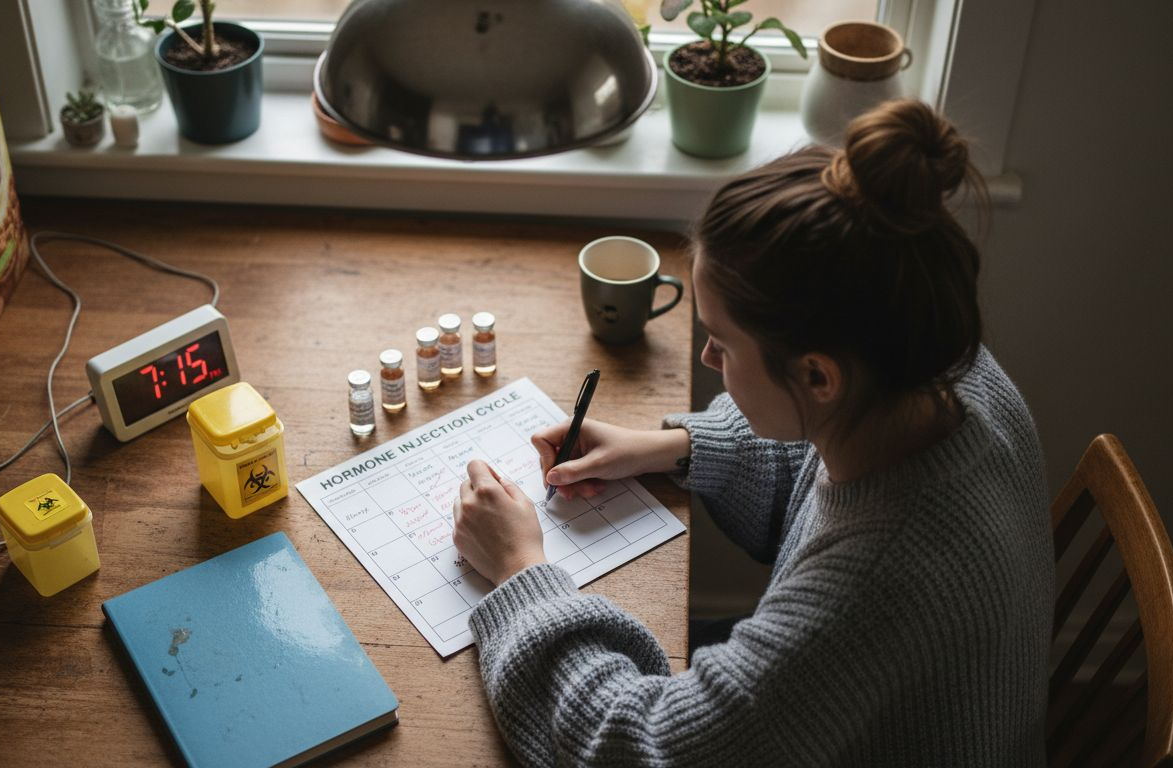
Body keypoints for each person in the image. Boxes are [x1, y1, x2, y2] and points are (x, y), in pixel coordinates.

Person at [451, 99, 1053, 766]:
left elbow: (637, 750)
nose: (707, 361)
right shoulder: (941, 368)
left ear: (818, 376)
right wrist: (678, 445)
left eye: (723, 345)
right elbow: (814, 454)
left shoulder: (871, 590)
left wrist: (519, 573)